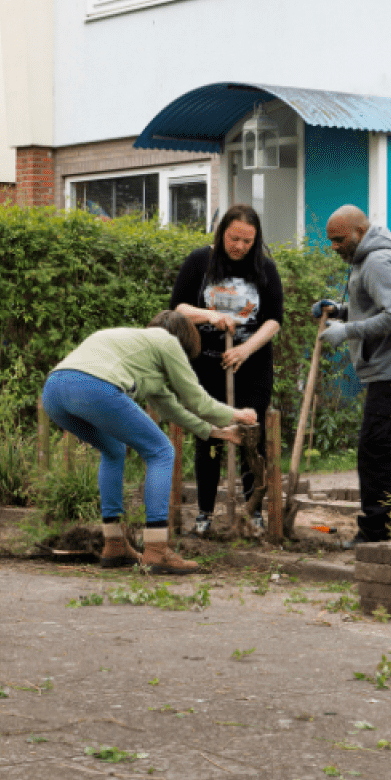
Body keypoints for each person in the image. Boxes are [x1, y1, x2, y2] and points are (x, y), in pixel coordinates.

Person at [42, 312, 257, 574]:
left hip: (54, 392)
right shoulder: (167, 340)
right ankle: (157, 549)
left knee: (113, 450)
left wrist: (220, 432)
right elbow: (196, 400)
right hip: (93, 386)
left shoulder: (140, 354)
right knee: (161, 451)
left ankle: (115, 543)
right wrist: (237, 414)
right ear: (184, 343)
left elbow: (174, 411)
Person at [313, 205, 391, 546]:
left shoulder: (377, 262)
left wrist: (347, 330)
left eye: (338, 240)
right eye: (331, 241)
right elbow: (373, 306)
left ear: (358, 233)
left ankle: (375, 531)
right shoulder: (364, 261)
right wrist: (339, 311)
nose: (334, 246)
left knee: (374, 448)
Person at [170, 204, 284, 536]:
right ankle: (205, 512)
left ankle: (253, 511)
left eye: (248, 241)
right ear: (222, 234)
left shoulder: (265, 268)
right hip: (206, 363)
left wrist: (246, 349)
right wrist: (209, 317)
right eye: (234, 239)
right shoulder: (199, 262)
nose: (240, 247)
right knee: (209, 435)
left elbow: (274, 319)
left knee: (251, 434)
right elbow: (177, 307)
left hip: (252, 365)